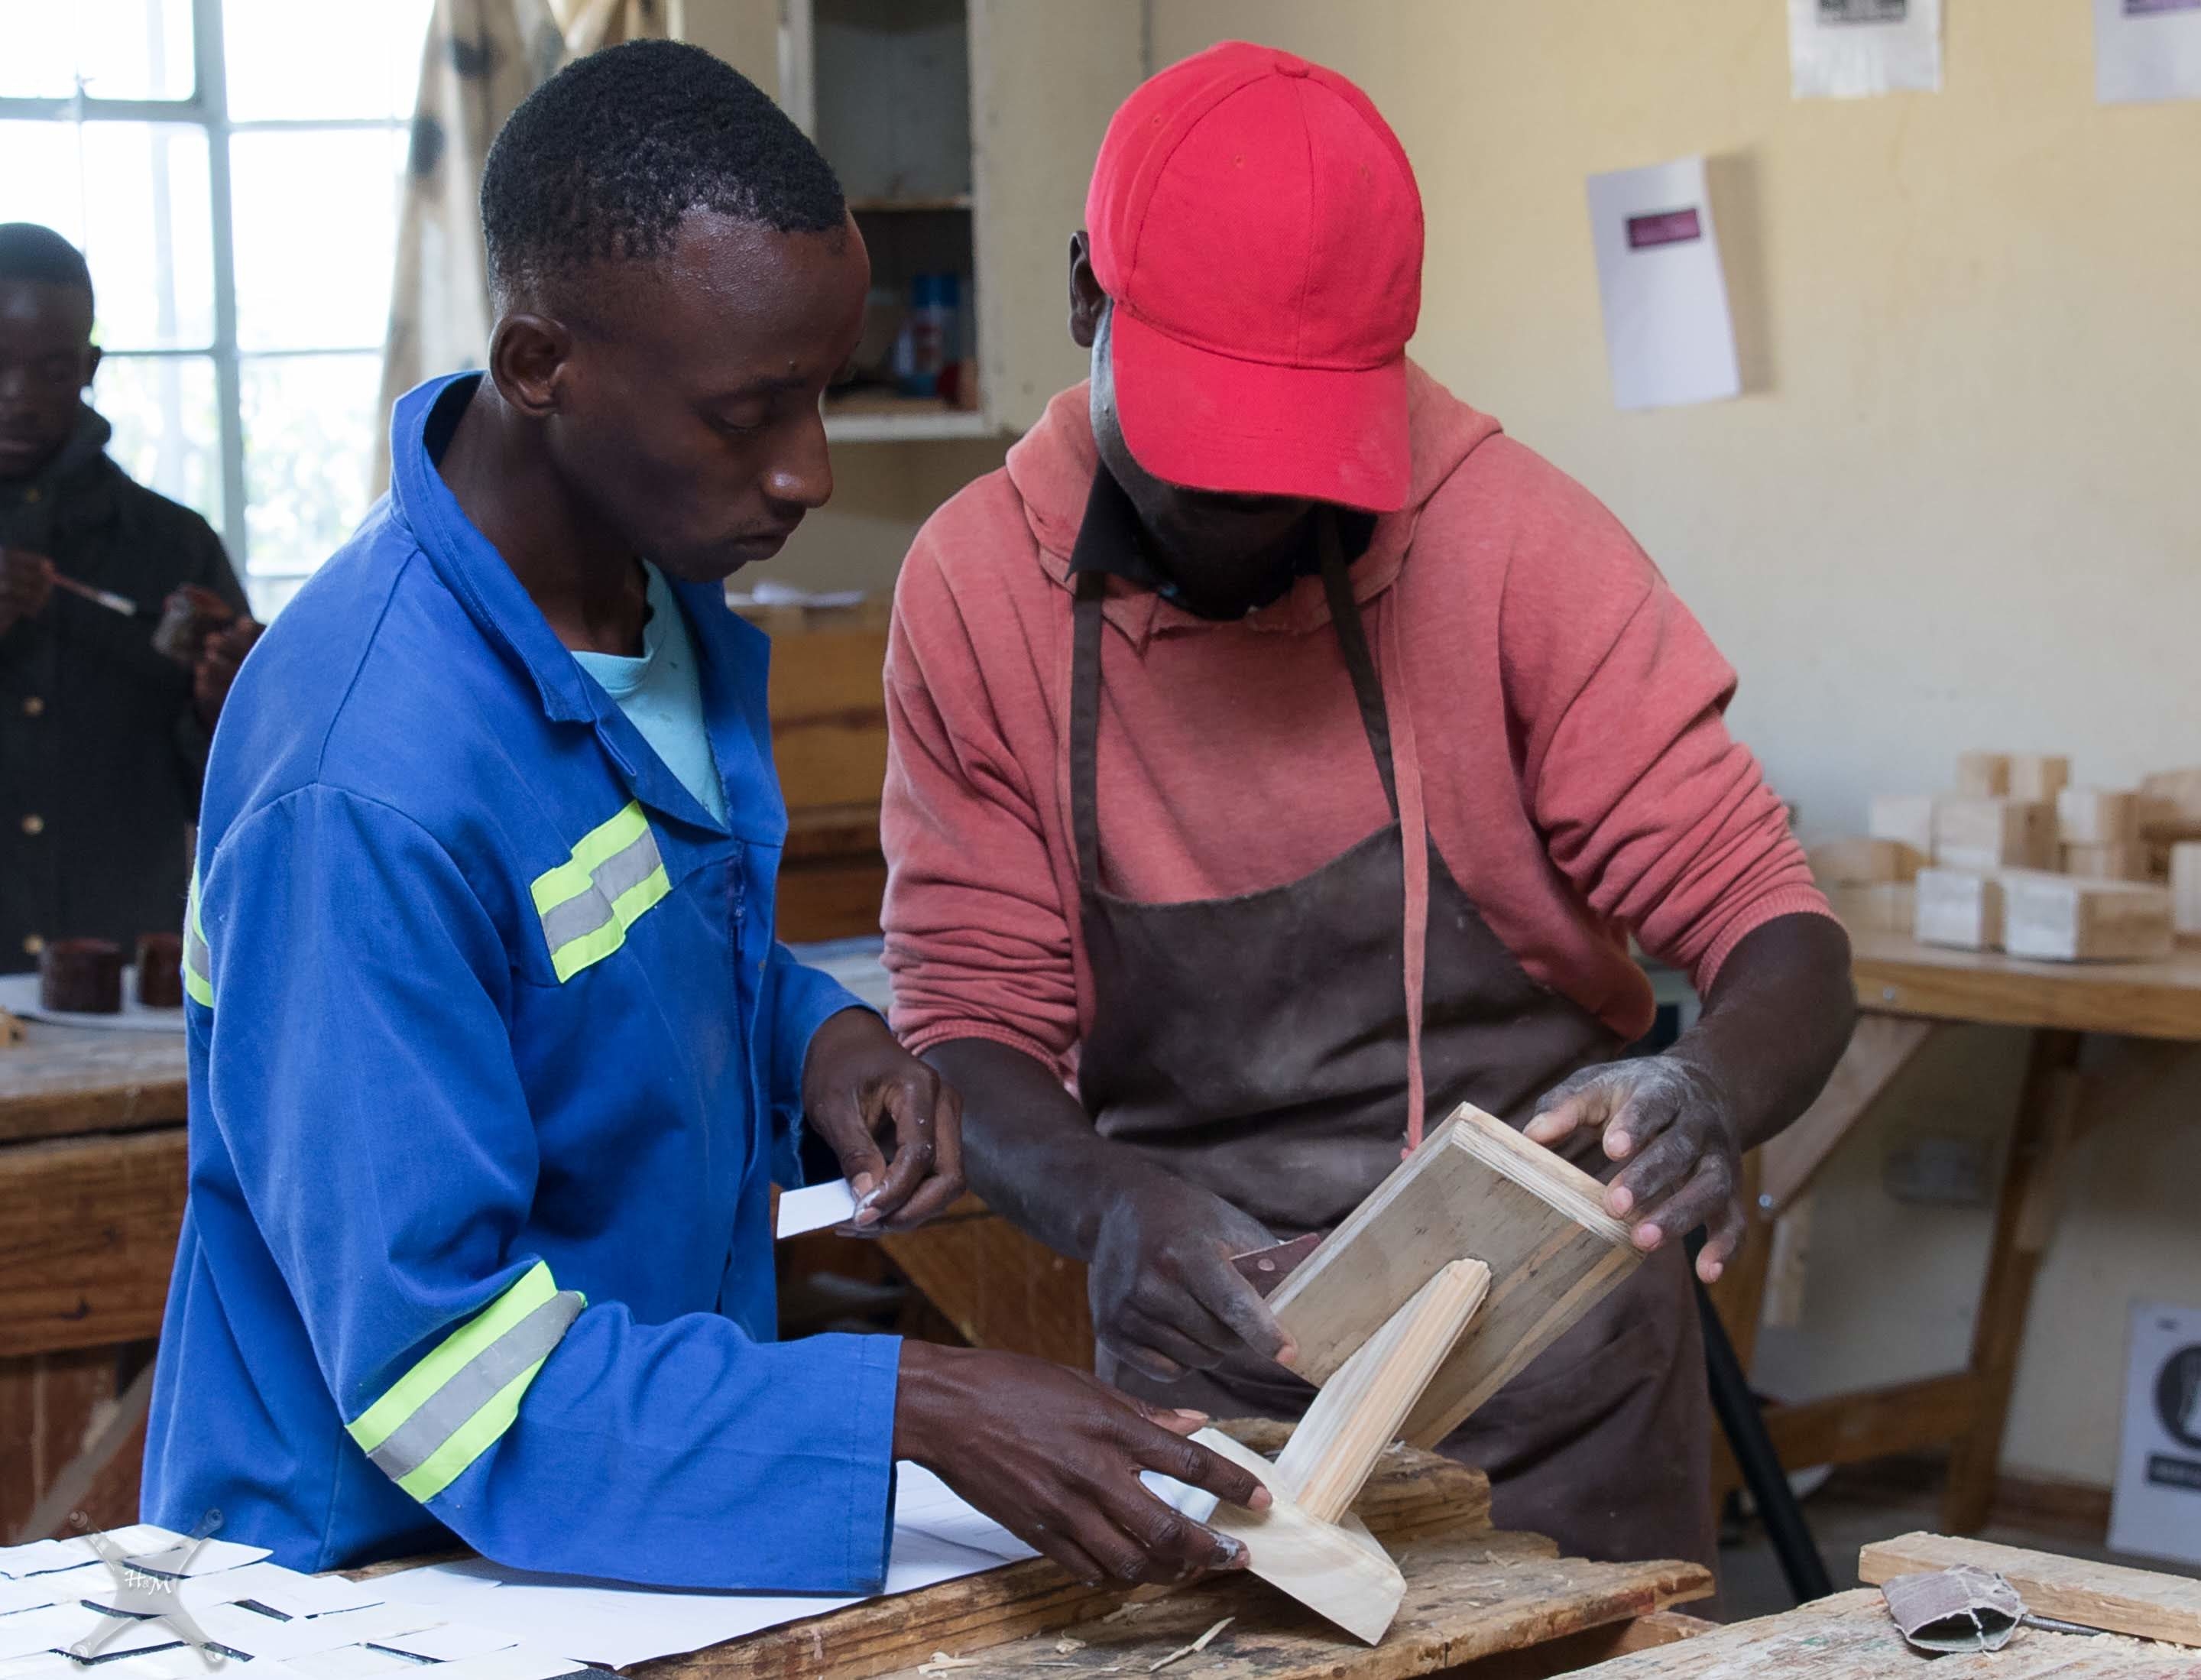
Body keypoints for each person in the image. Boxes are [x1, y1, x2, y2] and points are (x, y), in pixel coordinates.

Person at [144, 41, 1264, 1592]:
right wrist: (909, 1406)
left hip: (621, 1514)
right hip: (372, 1575)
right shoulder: (360, 782)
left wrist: (819, 1041)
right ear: (543, 367)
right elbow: (441, 1374)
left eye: (823, 388)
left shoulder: (645, 591)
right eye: (750, 412)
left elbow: (617, 963)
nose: (806, 468)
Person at [880, 42, 1857, 1567]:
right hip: (1214, 1404)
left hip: (1552, 1394)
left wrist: (1711, 1089)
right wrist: (1111, 1207)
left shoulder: (1514, 545)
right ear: (1089, 297)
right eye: (1210, 458)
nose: (1257, 516)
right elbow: (967, 1024)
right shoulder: (973, 591)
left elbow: (1779, 934)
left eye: (1302, 459)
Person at [0, 223, 260, 974]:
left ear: (89, 367)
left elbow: (242, 798)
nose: (18, 400)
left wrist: (230, 709)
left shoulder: (174, 547)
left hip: (126, 990)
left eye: (50, 370)